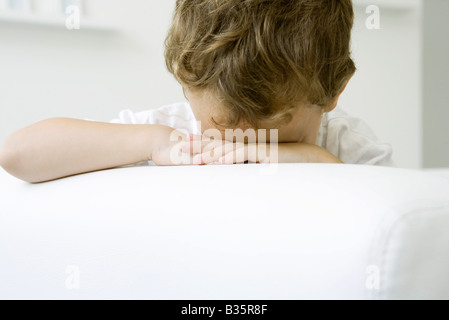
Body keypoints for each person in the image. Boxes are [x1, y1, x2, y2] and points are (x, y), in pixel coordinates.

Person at [0, 0, 394, 183]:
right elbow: (17, 153)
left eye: (274, 143)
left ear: (334, 92)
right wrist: (154, 142)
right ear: (188, 88)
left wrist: (314, 160)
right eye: (221, 140)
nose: (243, 157)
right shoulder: (172, 135)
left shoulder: (347, 149)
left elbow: (386, 216)